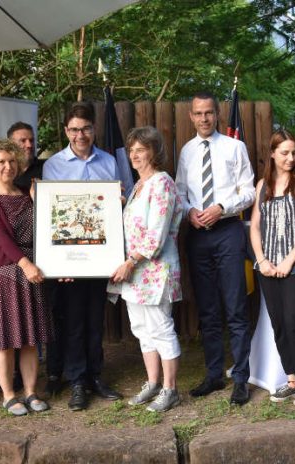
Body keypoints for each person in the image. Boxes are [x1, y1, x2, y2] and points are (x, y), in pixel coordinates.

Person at [42, 102, 124, 411]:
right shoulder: (53, 166)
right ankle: (76, 379)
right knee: (73, 321)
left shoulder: (109, 163)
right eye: (74, 129)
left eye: (86, 128)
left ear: (94, 129)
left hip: (101, 257)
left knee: (94, 319)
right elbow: (52, 216)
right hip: (69, 261)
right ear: (66, 131)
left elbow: (118, 205)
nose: (80, 135)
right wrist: (55, 262)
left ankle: (95, 376)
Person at [176, 91, 255, 405]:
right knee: (207, 310)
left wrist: (222, 207)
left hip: (228, 231)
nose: (204, 118)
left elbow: (248, 192)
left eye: (209, 112)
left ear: (217, 114)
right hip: (198, 236)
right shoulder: (186, 151)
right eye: (198, 113)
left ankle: (240, 379)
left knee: (235, 308)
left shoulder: (235, 147)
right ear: (191, 116)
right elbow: (180, 193)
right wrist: (189, 211)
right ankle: (213, 376)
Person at [108, 127, 183, 413]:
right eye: (132, 150)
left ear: (154, 151)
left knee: (161, 328)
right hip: (135, 274)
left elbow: (156, 234)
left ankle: (170, 389)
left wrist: (129, 262)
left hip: (154, 269)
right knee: (142, 329)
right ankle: (153, 383)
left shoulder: (161, 182)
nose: (135, 155)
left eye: (141, 149)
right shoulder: (138, 186)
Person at [0, 139, 52, 415]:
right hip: (6, 273)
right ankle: (9, 395)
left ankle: (31, 392)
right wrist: (25, 264)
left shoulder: (28, 192)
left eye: (11, 161)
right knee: (5, 340)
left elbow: (47, 228)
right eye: (1, 162)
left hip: (32, 272)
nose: (7, 166)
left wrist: (35, 201)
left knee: (31, 338)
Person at [250, 129, 295, 406]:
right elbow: (255, 226)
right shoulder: (262, 186)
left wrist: (289, 261)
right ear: (272, 153)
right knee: (279, 323)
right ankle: (290, 379)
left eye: (294, 153)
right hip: (267, 267)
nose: (291, 158)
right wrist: (263, 261)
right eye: (284, 153)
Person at [8, 122, 45, 192]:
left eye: (31, 140)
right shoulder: (5, 171)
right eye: (23, 141)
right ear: (11, 145)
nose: (29, 145)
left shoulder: (47, 168)